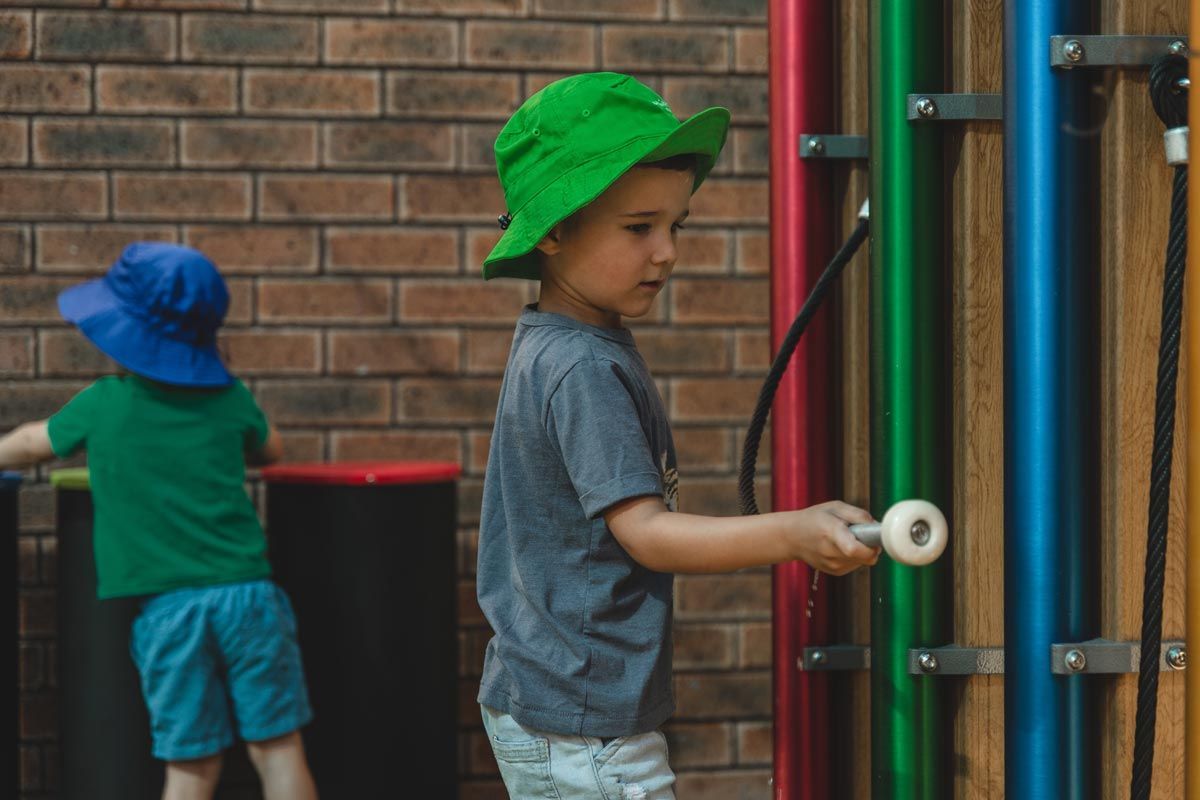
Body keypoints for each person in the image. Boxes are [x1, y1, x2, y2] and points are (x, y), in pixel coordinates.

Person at [475, 72, 880, 799]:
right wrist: (795, 532)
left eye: (675, 226)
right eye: (639, 228)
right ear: (556, 229)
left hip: (565, 708)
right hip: (585, 730)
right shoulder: (580, 365)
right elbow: (649, 535)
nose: (666, 251)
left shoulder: (566, 342)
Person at [0, 243, 318, 800]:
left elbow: (32, 444)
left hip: (170, 613)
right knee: (279, 749)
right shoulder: (229, 397)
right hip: (249, 597)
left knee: (191, 764)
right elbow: (272, 450)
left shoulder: (104, 403)